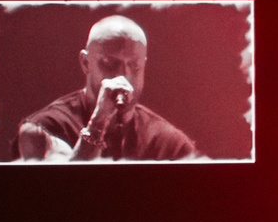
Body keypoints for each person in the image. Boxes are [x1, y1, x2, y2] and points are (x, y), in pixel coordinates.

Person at [17, 14, 202, 162]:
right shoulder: (42, 128)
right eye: (109, 64)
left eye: (135, 67)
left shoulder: (172, 144)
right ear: (85, 63)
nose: (123, 78)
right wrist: (99, 121)